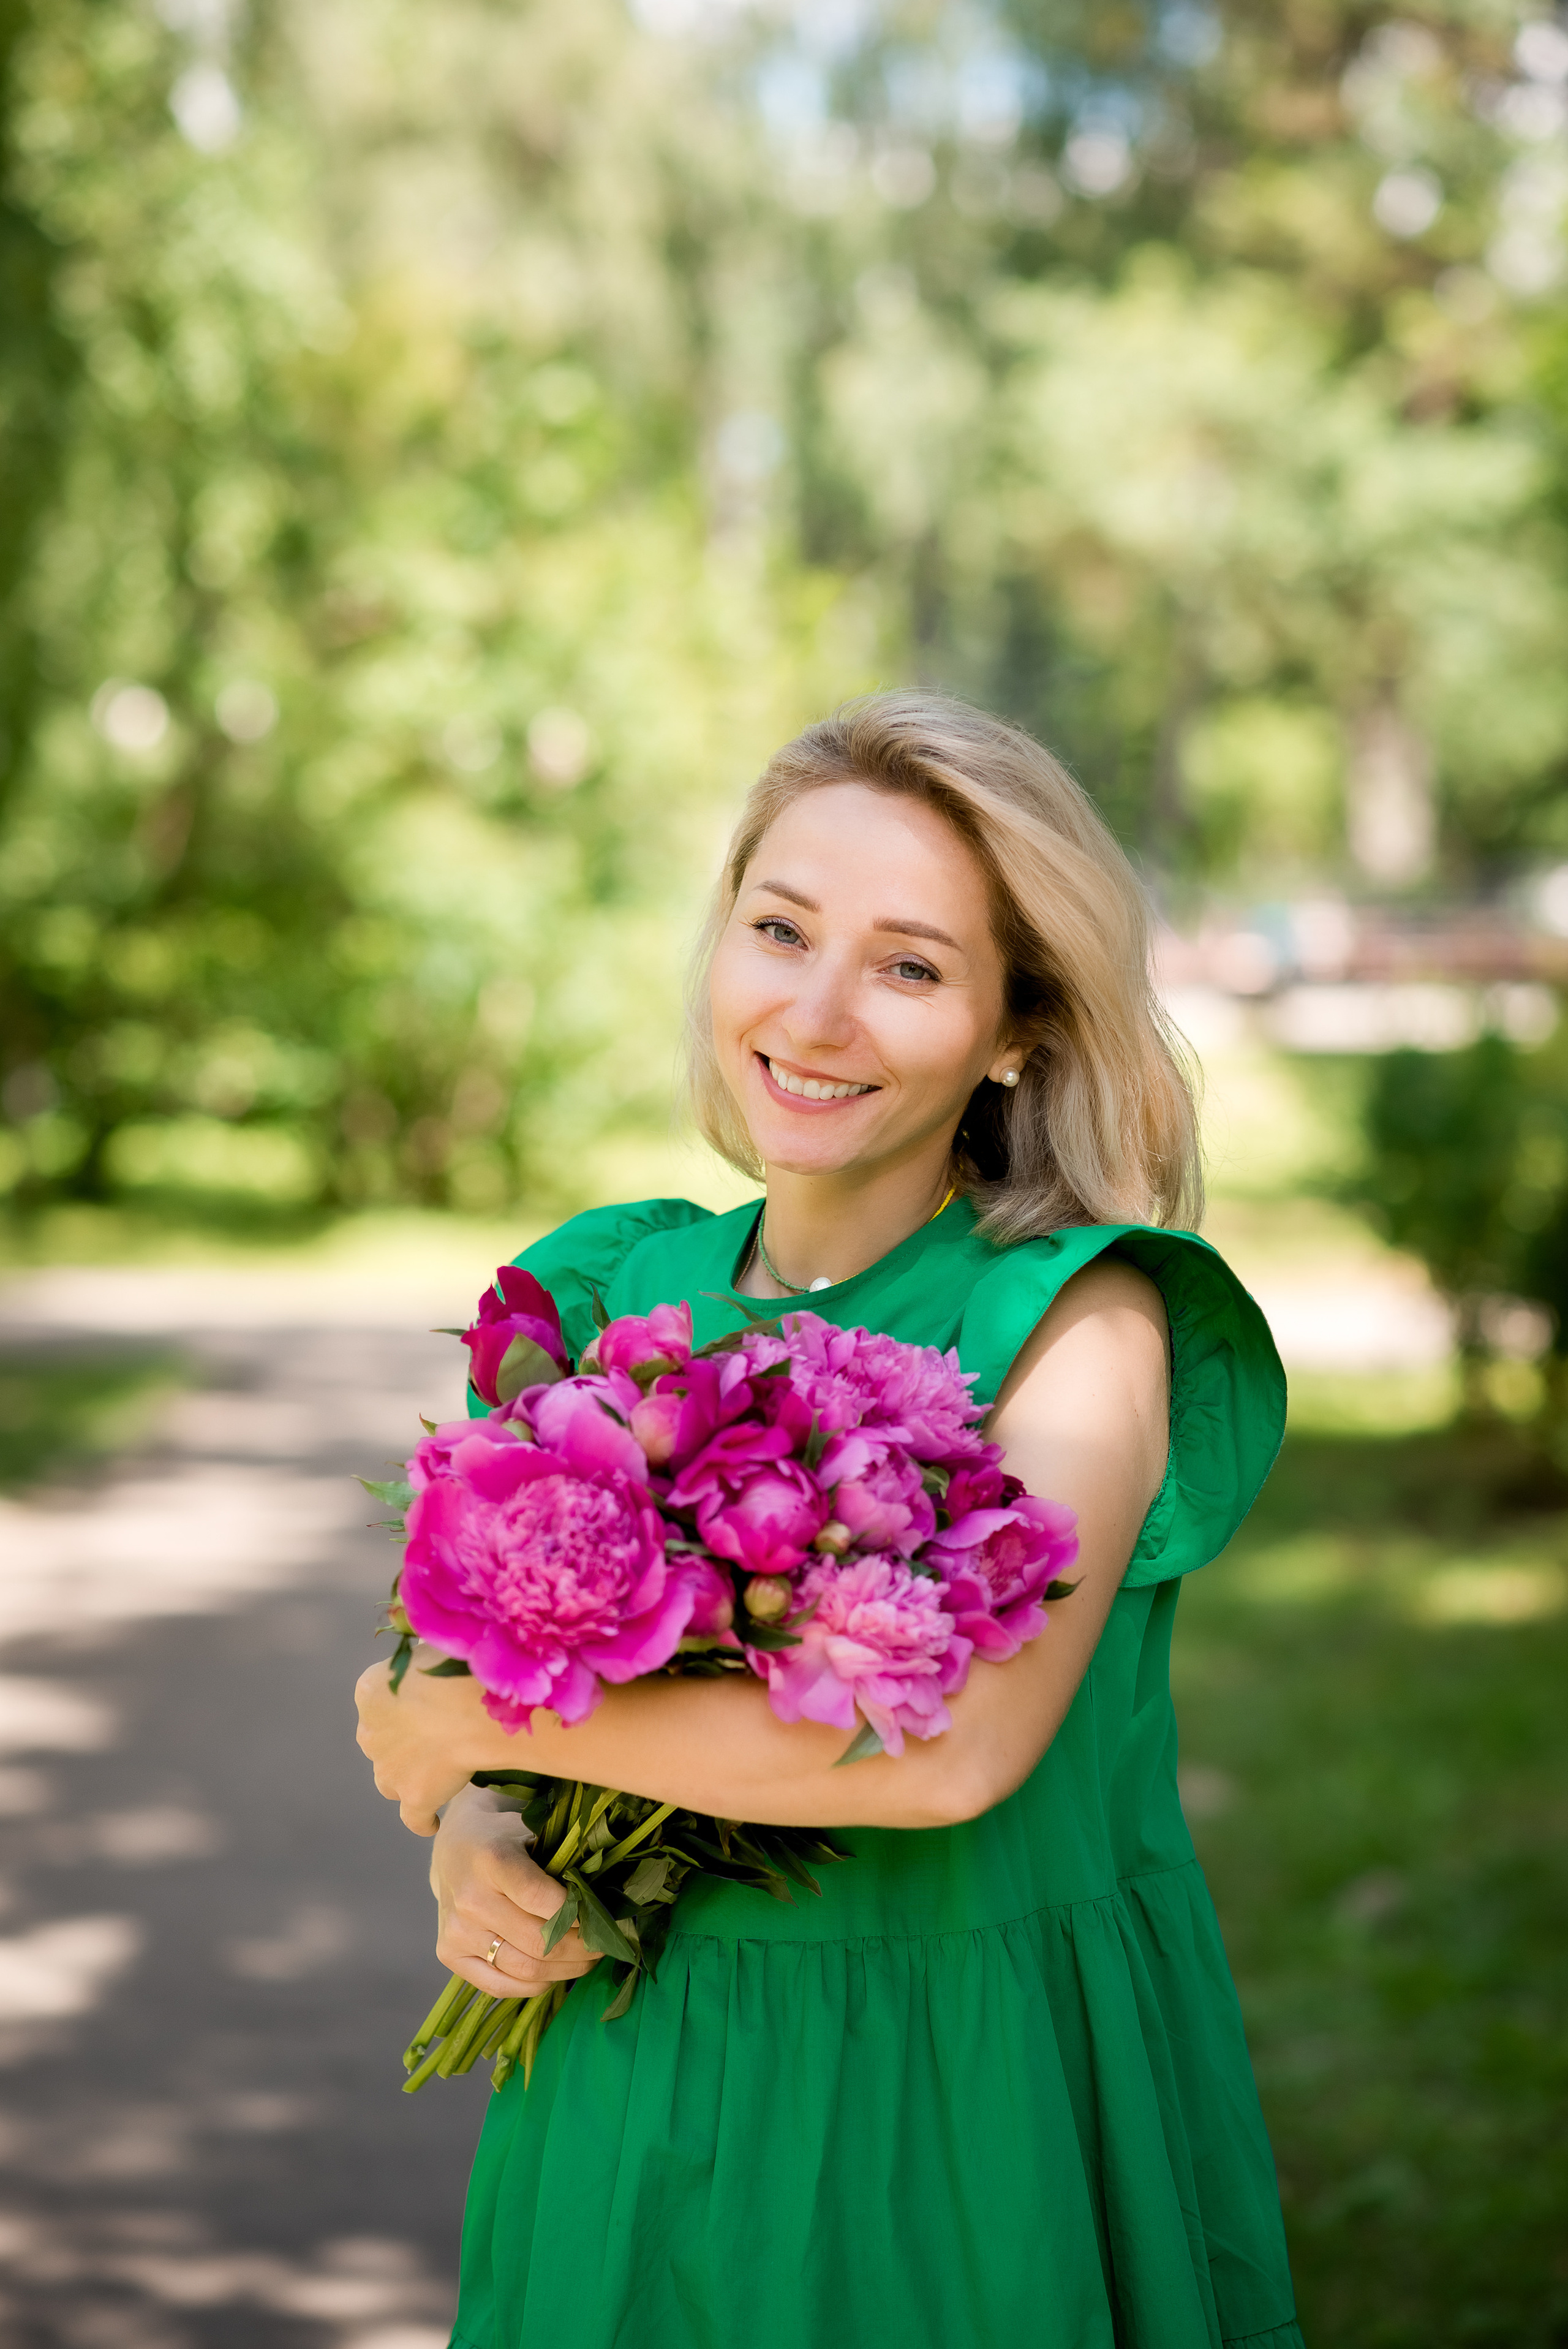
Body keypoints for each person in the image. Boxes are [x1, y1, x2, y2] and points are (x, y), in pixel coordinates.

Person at [355, 690, 1303, 2349]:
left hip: (955, 2106)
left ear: (1018, 1025)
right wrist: (481, 1837)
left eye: (911, 964)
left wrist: (459, 1720)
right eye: (779, 927)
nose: (816, 1008)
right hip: (629, 2091)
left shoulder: (1083, 1327)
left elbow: (950, 1751)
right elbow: (505, 1736)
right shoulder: (602, 1289)